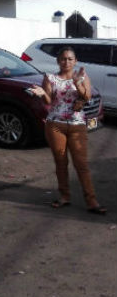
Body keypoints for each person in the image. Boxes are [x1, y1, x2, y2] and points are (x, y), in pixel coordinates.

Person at [29, 47, 106, 215]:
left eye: (70, 59)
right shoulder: (50, 78)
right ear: (58, 61)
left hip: (77, 125)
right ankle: (64, 196)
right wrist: (42, 93)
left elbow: (86, 97)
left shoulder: (82, 77)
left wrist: (77, 83)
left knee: (81, 164)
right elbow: (49, 101)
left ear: (76, 61)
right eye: (63, 59)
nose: (67, 62)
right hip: (55, 124)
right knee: (61, 162)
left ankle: (91, 200)